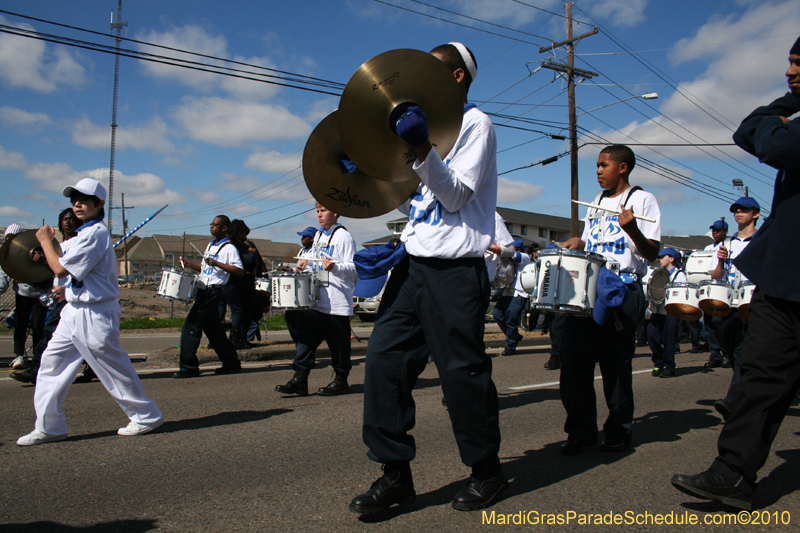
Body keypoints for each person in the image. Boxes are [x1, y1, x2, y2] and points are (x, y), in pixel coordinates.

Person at [350, 42, 507, 515]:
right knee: (383, 363)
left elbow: (455, 196)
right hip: (413, 266)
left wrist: (420, 146)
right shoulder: (423, 129)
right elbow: (414, 201)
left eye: (430, 70)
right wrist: (369, 175)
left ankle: (487, 471)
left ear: (456, 77)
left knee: (462, 374)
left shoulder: (476, 124)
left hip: (455, 271)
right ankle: (395, 474)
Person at [671, 36, 800, 510]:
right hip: (783, 278)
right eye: (789, 63)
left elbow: (770, 140)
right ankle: (732, 474)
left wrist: (779, 120)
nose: (790, 72)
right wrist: (787, 107)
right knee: (760, 376)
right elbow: (749, 132)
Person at [17, 178, 163, 445]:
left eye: (84, 200)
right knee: (51, 364)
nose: (77, 204)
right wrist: (66, 289)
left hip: (95, 313)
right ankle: (49, 426)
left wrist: (45, 240)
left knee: (112, 367)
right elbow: (72, 273)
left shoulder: (96, 233)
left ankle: (146, 415)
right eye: (75, 200)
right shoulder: (82, 235)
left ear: (100, 204)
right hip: (74, 310)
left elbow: (60, 268)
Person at [558, 144, 661, 455]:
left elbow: (651, 253)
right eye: (598, 166)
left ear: (623, 167)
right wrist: (580, 243)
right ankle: (581, 431)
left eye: (604, 165)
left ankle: (618, 430)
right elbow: (595, 244)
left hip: (622, 289)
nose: (598, 171)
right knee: (574, 362)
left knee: (615, 364)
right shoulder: (597, 202)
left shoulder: (643, 199)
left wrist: (634, 231)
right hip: (590, 288)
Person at [275, 204, 356, 397]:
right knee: (305, 341)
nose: (319, 214)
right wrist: (304, 264)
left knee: (339, 346)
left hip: (336, 303)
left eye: (324, 210)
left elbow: (353, 267)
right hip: (316, 301)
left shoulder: (344, 236)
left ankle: (341, 380)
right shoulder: (319, 235)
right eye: (318, 211)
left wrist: (335, 268)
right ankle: (300, 379)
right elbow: (314, 261)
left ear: (335, 212)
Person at [11, 208, 81, 384]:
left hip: (70, 297)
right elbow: (53, 269)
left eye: (72, 219)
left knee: (50, 335)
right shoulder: (59, 246)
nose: (68, 222)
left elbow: (67, 270)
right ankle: (41, 369)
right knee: (57, 337)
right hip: (59, 296)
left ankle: (38, 369)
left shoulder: (79, 243)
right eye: (65, 219)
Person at [705, 197, 759, 420]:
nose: (738, 212)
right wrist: (720, 261)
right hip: (729, 306)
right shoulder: (726, 244)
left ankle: (733, 400)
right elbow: (716, 276)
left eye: (744, 209)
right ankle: (749, 397)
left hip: (752, 303)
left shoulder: (761, 241)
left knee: (742, 352)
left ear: (755, 214)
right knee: (733, 352)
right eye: (736, 210)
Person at [174, 216, 243, 378]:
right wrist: (189, 264)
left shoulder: (229, 248)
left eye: (215, 225)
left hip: (213, 291)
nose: (211, 227)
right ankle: (231, 362)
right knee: (213, 330)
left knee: (191, 326)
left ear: (224, 228)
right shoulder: (211, 245)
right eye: (211, 224)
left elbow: (238, 270)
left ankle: (188, 367)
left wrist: (217, 263)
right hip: (203, 289)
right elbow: (205, 268)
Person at [5, 223, 51, 371]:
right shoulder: (9, 255)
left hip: (39, 295)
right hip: (22, 294)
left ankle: (38, 357)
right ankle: (19, 355)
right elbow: (4, 275)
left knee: (38, 326)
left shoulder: (36, 249)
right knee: (20, 324)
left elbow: (47, 272)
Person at [647, 248, 685, 378]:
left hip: (670, 310)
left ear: (671, 259)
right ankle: (658, 361)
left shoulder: (679, 274)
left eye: (663, 257)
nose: (660, 259)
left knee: (669, 339)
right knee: (652, 335)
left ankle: (668, 365)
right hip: (657, 309)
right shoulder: (658, 273)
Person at [492, 238, 531, 356]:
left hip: (517, 294)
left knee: (510, 320)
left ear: (518, 249)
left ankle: (510, 346)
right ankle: (514, 336)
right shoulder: (505, 262)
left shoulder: (524, 257)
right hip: (505, 293)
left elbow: (514, 255)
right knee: (497, 315)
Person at [282, 227, 317, 345]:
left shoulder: (316, 251)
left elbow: (312, 269)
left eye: (304, 237)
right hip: (298, 288)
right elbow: (298, 267)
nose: (302, 239)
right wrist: (289, 268)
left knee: (302, 320)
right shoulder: (302, 251)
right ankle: (299, 342)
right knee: (290, 317)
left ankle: (303, 344)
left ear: (312, 238)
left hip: (308, 289)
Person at [701, 220, 729, 367]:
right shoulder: (707, 248)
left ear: (725, 232)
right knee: (709, 322)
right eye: (713, 230)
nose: (715, 233)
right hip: (708, 288)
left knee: (719, 322)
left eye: (718, 230)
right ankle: (715, 354)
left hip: (721, 288)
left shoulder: (727, 246)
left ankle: (726, 352)